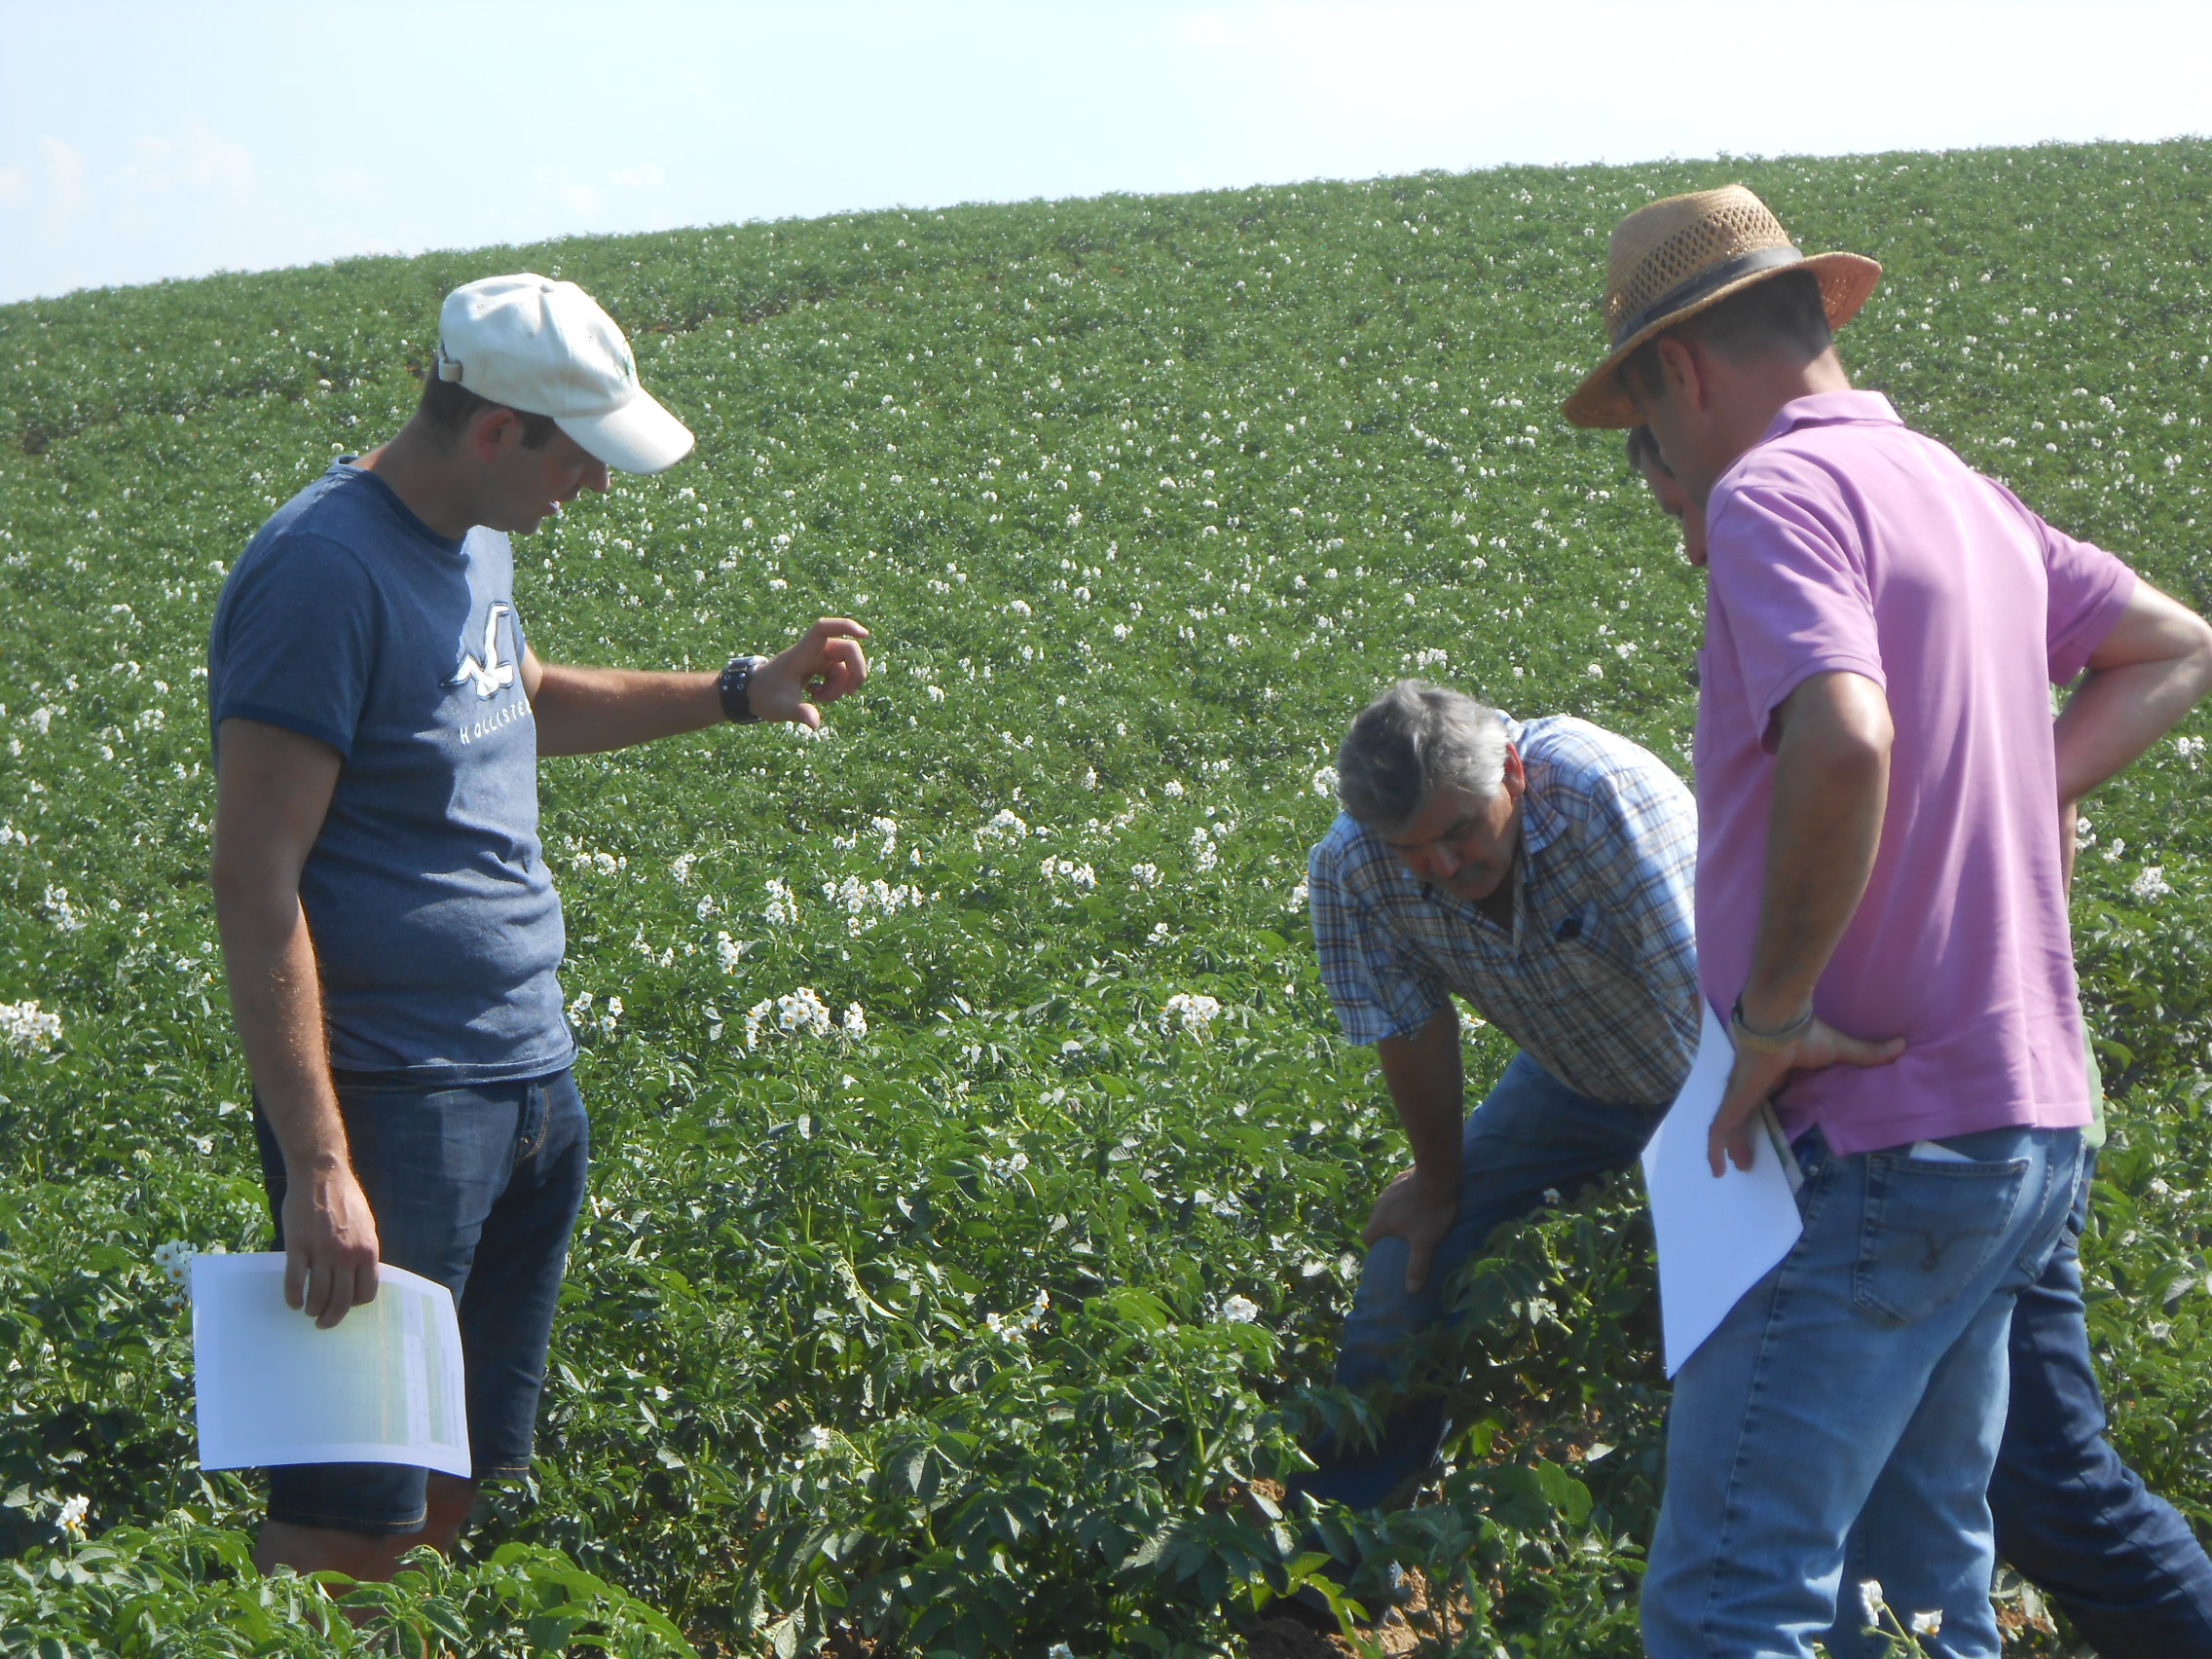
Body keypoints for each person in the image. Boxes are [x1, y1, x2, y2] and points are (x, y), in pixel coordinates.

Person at [1564, 185, 2212, 1657]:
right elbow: (2171, 647)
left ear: (1679, 366)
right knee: (1916, 1594)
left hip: (1879, 1137)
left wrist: (1776, 1012)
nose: (1660, 462)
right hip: (2024, 1130)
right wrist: (1995, 788)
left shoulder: (1773, 496)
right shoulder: (1958, 490)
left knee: (1733, 1594)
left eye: (1645, 415)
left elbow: (1844, 739)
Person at [206, 273, 869, 1584]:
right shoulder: (320, 574)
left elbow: (522, 699)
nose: (598, 488)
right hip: (398, 1098)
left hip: (522, 1079)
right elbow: (255, 880)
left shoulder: (472, 539)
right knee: (350, 1504)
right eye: (582, 456)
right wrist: (319, 1162)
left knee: (451, 1470)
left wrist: (742, 689)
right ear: (501, 430)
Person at [1290, 683, 1706, 1567]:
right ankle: (1332, 1562)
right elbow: (1411, 1026)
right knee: (1405, 1274)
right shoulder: (1353, 866)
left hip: (1719, 1073)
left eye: (1458, 832)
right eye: (1414, 849)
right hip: (1574, 1080)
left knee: (1730, 1315)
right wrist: (1438, 1184)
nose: (1441, 865)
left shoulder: (1602, 795)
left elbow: (1724, 1007)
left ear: (1512, 771)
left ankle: (1693, 1560)